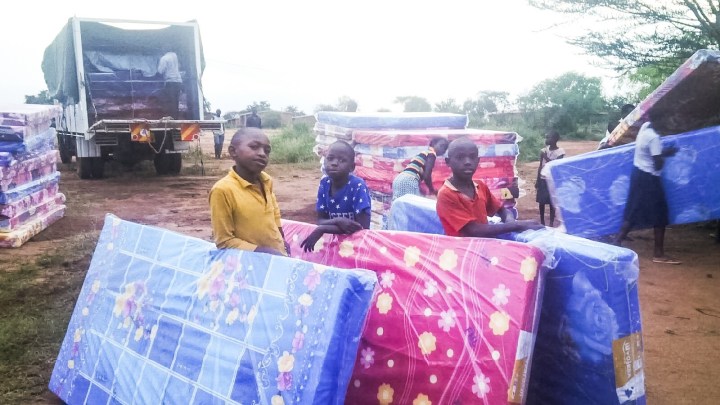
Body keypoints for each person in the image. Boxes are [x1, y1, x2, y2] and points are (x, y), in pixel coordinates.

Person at [436, 137, 544, 238]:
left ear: (478, 160)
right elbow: (473, 230)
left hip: (484, 245)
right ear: (448, 162)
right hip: (461, 249)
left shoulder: (480, 186)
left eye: (472, 157)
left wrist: (509, 220)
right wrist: (516, 225)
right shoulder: (446, 194)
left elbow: (502, 210)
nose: (467, 162)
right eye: (460, 157)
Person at [209, 127, 290, 256]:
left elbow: (274, 216)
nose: (262, 154)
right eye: (254, 147)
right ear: (233, 151)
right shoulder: (222, 190)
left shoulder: (267, 181)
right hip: (249, 263)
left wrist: (282, 241)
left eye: (267, 151)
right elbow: (224, 241)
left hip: (276, 259)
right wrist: (263, 252)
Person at [614, 110, 680, 264]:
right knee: (660, 214)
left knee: (634, 209)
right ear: (660, 121)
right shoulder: (654, 137)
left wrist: (662, 152)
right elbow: (658, 164)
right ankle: (658, 254)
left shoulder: (644, 128)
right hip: (649, 178)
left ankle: (617, 242)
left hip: (638, 174)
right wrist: (666, 155)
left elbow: (651, 153)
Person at [300, 141, 371, 252]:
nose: (334, 163)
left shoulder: (357, 186)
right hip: (334, 245)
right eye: (330, 158)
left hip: (357, 246)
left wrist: (322, 229)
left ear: (352, 167)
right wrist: (339, 221)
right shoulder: (324, 184)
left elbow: (361, 227)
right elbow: (320, 220)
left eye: (342, 160)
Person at [535, 130, 565, 226]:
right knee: (541, 201)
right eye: (546, 137)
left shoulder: (560, 152)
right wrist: (537, 180)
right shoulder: (543, 150)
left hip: (552, 179)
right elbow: (540, 166)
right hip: (543, 178)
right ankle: (542, 221)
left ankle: (551, 222)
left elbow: (554, 165)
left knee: (552, 201)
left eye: (549, 137)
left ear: (555, 139)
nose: (547, 139)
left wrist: (545, 157)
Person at [157, 50, 183, 118]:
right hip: (178, 81)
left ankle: (171, 118)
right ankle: (175, 118)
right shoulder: (175, 55)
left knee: (170, 102)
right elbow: (180, 66)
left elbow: (160, 71)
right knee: (175, 102)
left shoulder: (164, 58)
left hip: (170, 82)